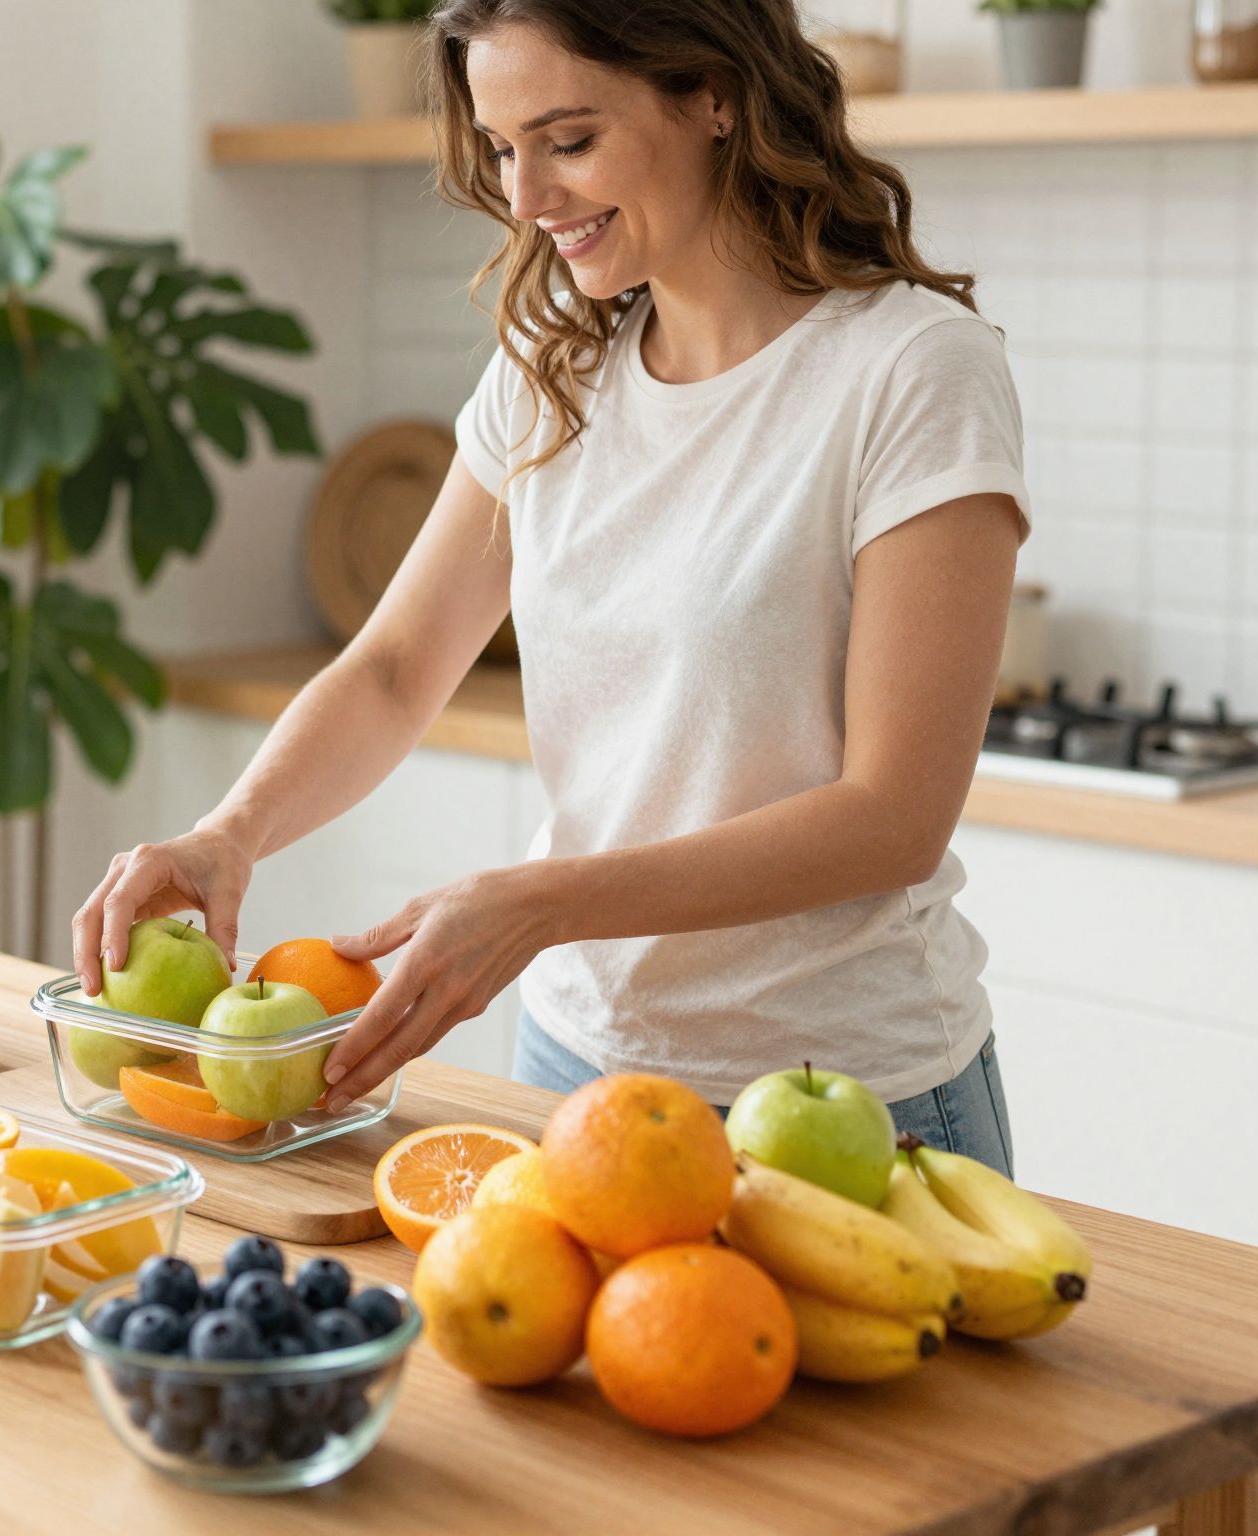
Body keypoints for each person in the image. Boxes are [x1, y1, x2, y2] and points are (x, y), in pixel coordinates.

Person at [72, 0, 1028, 1175]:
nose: (524, 199)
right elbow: (392, 667)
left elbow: (891, 815)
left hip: (840, 1101)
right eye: (500, 149)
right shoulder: (550, 365)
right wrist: (231, 833)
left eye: (566, 141)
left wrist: (541, 901)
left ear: (713, 94)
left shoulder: (907, 369)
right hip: (575, 1067)